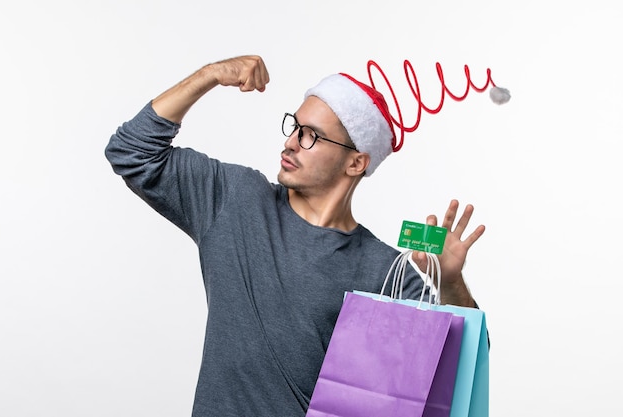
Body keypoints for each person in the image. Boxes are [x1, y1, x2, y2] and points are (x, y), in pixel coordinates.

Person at [105, 55, 485, 417]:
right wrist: (209, 75)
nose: (290, 142)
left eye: (311, 136)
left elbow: (456, 372)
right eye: (295, 126)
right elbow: (131, 151)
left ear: (356, 162)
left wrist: (452, 283)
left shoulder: (383, 268)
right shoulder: (234, 200)